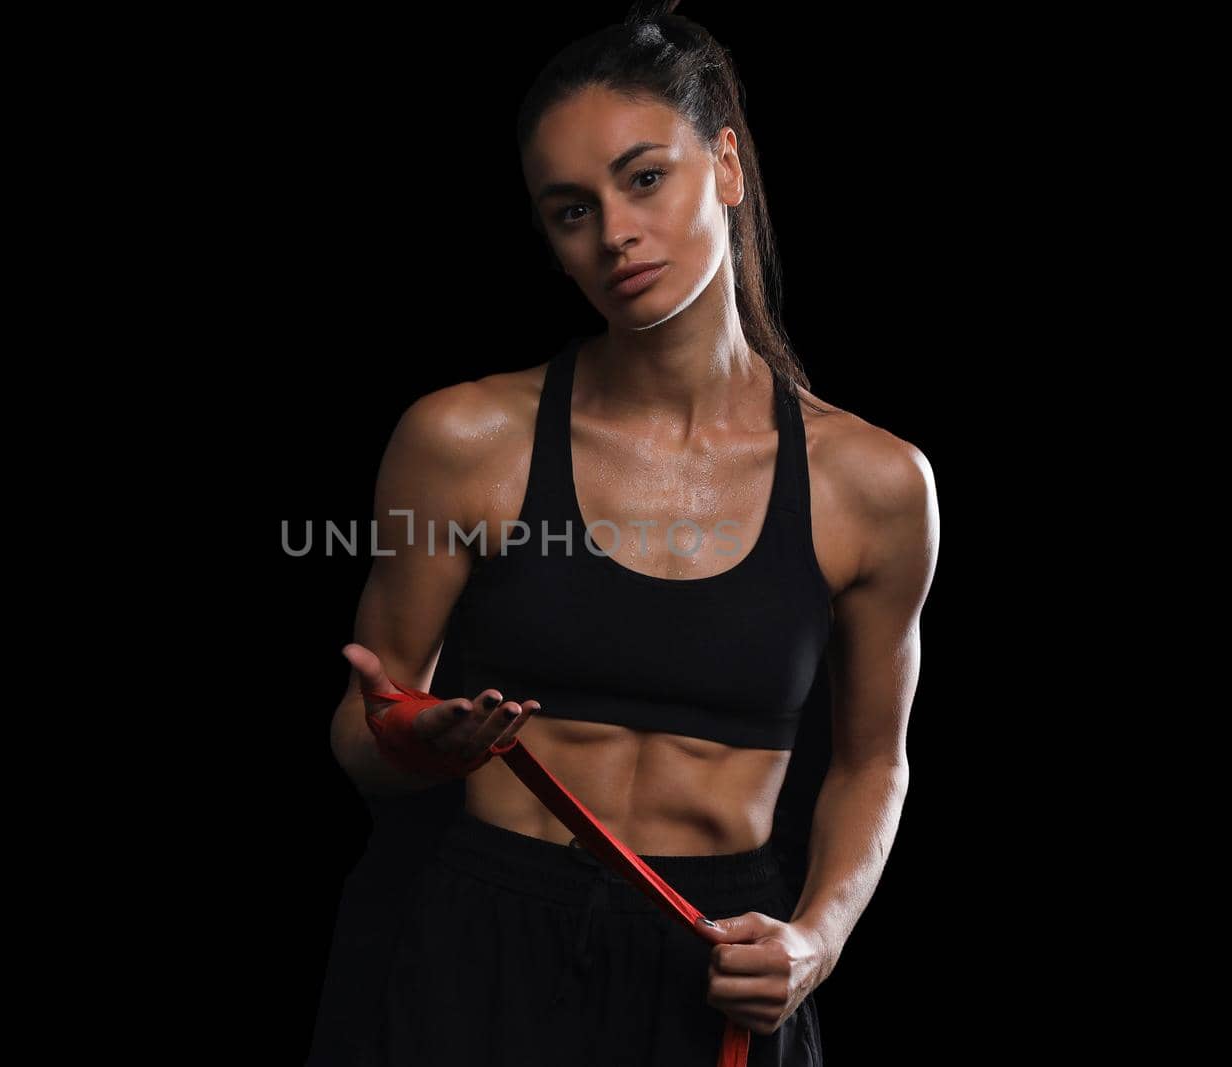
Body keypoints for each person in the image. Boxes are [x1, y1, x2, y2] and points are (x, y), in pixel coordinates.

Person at [311, 2, 939, 1064]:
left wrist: (816, 940)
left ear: (726, 167)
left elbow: (873, 761)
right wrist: (415, 739)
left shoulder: (874, 481)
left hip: (716, 962)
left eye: (643, 178)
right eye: (569, 209)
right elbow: (360, 732)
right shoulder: (464, 438)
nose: (612, 232)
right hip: (480, 945)